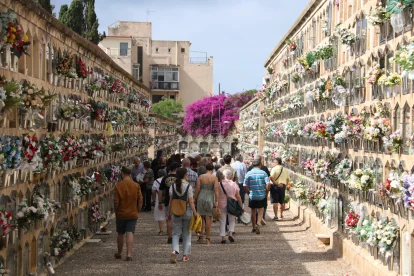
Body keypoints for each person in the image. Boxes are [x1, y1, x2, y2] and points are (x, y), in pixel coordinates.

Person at [168, 168, 198, 263]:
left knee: (176, 233)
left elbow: (170, 201)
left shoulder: (172, 186)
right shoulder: (188, 187)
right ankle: (185, 255)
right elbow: (191, 201)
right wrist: (195, 212)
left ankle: (174, 251)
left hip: (176, 211)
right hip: (187, 211)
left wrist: (168, 213)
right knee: (187, 234)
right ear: (185, 175)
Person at [114, 167, 143, 261]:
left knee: (121, 233)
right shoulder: (136, 185)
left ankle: (119, 253)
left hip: (121, 213)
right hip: (132, 213)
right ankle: (129, 254)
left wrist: (116, 210)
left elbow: (116, 201)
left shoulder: (118, 186)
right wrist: (138, 210)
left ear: (122, 174)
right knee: (130, 232)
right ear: (130, 174)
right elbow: (140, 200)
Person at [244, 156, 270, 235]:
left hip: (252, 195)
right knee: (261, 210)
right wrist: (266, 192)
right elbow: (268, 184)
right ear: (260, 165)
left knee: (253, 211)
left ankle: (253, 227)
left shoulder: (248, 173)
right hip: (261, 194)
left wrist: (248, 192)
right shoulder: (264, 173)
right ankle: (258, 223)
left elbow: (245, 185)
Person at [194, 163, 219, 245]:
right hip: (210, 197)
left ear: (206, 169)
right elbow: (216, 190)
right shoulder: (214, 178)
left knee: (200, 217)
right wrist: (216, 201)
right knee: (208, 218)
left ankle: (200, 236)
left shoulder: (201, 177)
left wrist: (194, 198)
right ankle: (208, 238)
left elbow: (197, 188)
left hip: (201, 196)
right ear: (212, 169)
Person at [218, 169, 243, 244]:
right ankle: (230, 233)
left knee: (222, 220)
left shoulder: (219, 184)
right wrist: (241, 205)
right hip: (232, 204)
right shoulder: (234, 184)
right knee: (232, 219)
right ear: (231, 176)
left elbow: (216, 194)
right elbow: (238, 196)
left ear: (223, 175)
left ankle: (223, 237)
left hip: (221, 204)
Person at [158, 162, 181, 244]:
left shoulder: (165, 178)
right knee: (179, 219)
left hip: (168, 200)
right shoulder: (179, 178)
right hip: (179, 200)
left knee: (169, 219)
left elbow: (160, 191)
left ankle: (170, 237)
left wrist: (160, 202)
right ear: (177, 169)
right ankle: (180, 236)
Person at [231, 154, 247, 222]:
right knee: (241, 200)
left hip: (233, 184)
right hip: (241, 184)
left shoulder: (232, 165)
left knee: (234, 199)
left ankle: (234, 215)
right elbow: (245, 175)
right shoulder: (242, 165)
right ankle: (240, 216)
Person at [153, 169, 167, 235]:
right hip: (167, 199)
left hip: (159, 199)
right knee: (168, 214)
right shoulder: (168, 180)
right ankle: (169, 230)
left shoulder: (156, 181)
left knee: (160, 215)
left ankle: (161, 230)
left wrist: (154, 199)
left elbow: (153, 191)